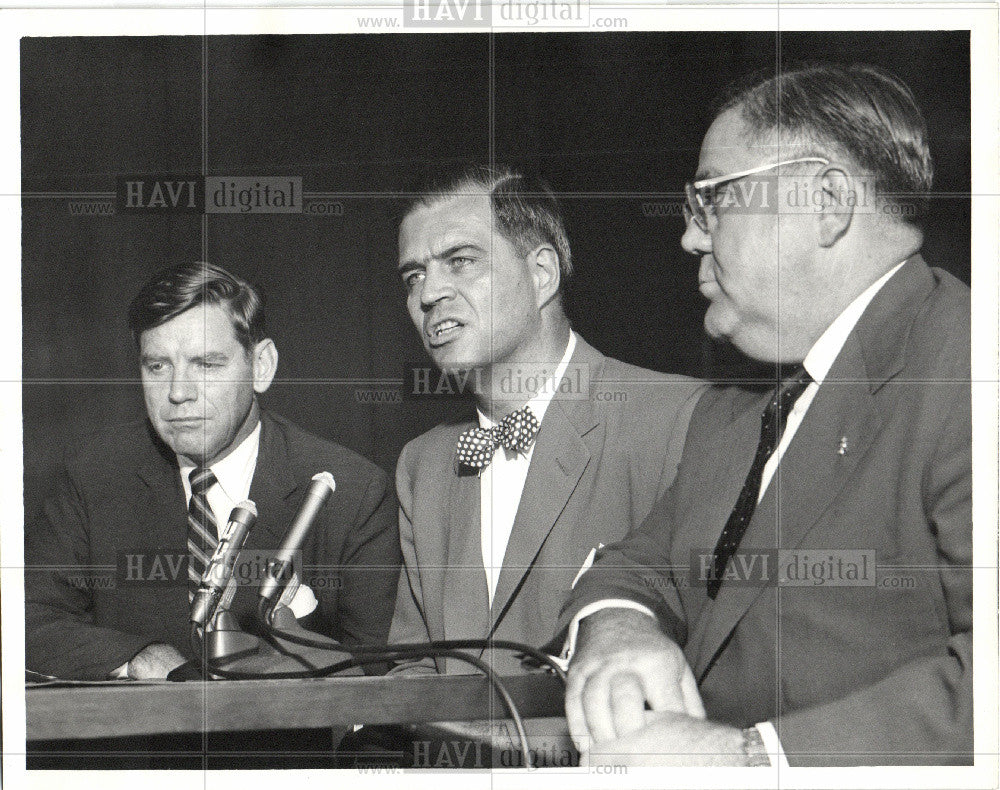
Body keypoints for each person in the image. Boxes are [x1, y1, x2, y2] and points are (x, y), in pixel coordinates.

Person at [559, 63, 971, 766]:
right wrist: (618, 629)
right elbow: (634, 567)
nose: (691, 237)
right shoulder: (735, 420)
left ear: (827, 201)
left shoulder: (967, 363)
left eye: (713, 199)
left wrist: (752, 759)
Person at [389, 166, 705, 674]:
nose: (429, 295)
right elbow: (413, 669)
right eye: (414, 275)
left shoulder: (679, 420)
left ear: (542, 274)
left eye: (461, 261)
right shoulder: (423, 465)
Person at [25, 261, 401, 680]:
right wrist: (142, 657)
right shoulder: (94, 474)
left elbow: (377, 678)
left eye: (205, 364)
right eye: (157, 366)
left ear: (262, 366)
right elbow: (28, 619)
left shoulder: (352, 492)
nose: (178, 393)